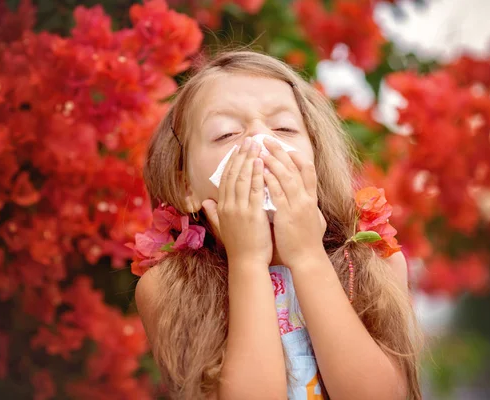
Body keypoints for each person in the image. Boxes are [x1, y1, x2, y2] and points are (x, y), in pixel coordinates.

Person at [134, 50, 422, 400]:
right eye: (226, 134)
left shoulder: (374, 266)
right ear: (186, 187)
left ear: (315, 159)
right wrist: (248, 262)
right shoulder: (169, 287)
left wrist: (307, 257)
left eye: (284, 128)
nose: (260, 144)